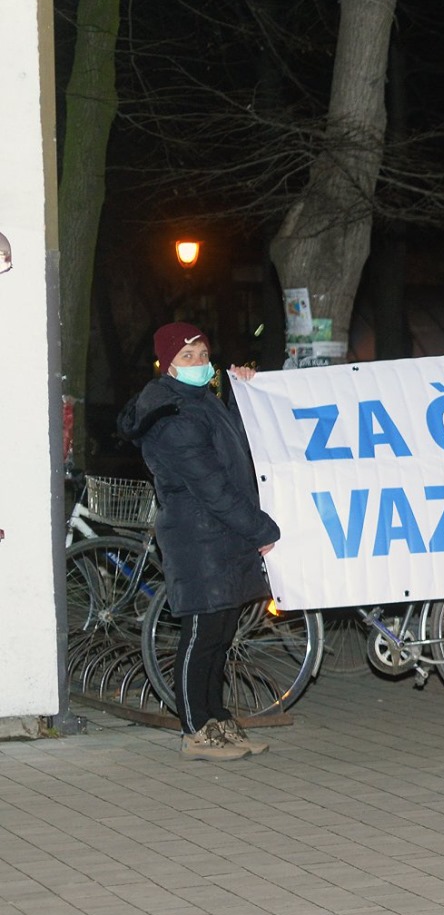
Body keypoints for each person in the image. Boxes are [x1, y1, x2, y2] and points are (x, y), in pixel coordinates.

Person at [117, 323, 281, 761]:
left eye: (203, 354)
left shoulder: (202, 401)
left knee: (221, 632)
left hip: (221, 535)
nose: (198, 362)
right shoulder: (170, 414)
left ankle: (217, 719)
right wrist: (260, 528)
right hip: (198, 536)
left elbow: (238, 451)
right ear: (167, 364)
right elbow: (212, 485)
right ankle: (194, 730)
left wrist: (245, 394)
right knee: (201, 633)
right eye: (187, 356)